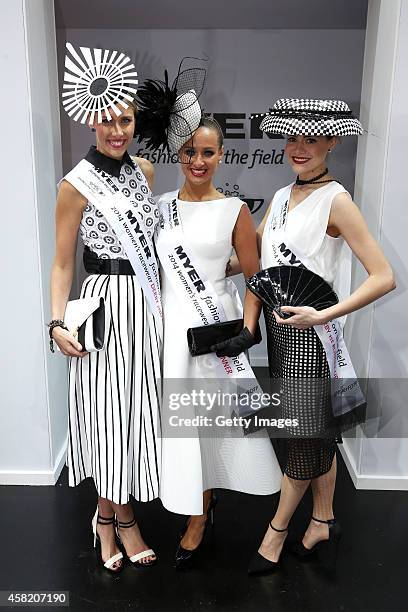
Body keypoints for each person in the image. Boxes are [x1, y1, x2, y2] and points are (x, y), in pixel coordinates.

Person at [219, 98, 395, 575]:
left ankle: (274, 535)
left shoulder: (337, 200)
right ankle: (322, 520)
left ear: (332, 141)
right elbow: (254, 255)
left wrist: (324, 315)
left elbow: (383, 276)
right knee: (319, 433)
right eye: (293, 137)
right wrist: (212, 267)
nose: (299, 148)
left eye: (312, 139)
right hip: (280, 334)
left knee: (301, 439)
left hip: (315, 341)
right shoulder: (279, 197)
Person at [135, 67, 282, 569]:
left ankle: (200, 514)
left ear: (221, 155)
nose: (198, 161)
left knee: (213, 423)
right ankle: (194, 500)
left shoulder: (235, 211)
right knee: (182, 426)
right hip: (169, 331)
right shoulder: (158, 208)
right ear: (177, 154)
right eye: (189, 152)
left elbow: (253, 277)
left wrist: (247, 329)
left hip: (213, 332)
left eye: (208, 152)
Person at [49, 43, 163, 572]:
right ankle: (118, 521)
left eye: (126, 118)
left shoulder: (144, 170)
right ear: (90, 120)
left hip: (145, 307)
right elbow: (63, 265)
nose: (117, 130)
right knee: (105, 420)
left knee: (136, 418)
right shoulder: (74, 186)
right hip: (101, 310)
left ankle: (108, 516)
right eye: (107, 119)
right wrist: (55, 321)